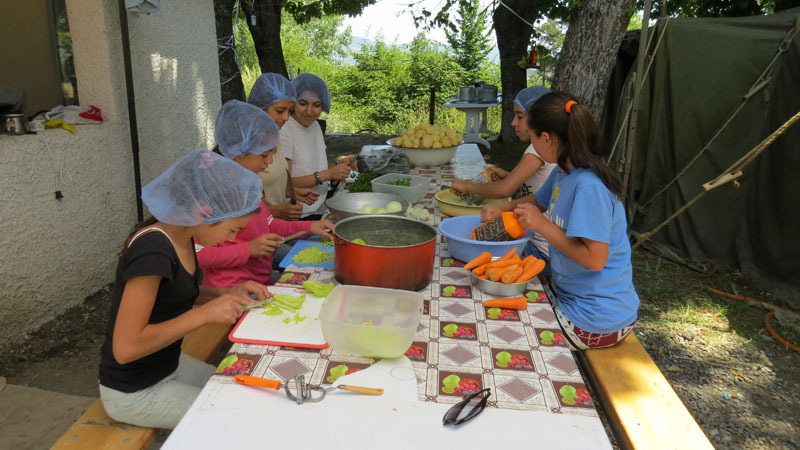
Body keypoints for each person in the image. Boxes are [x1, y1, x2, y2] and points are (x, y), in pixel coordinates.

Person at [98, 149, 270, 429]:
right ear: (203, 212)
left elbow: (175, 294)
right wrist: (204, 315)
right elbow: (125, 349)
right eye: (233, 230)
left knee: (239, 387)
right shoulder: (152, 251)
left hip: (168, 364)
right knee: (238, 419)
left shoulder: (185, 234)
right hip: (135, 390)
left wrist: (226, 293)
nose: (234, 238)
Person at [483, 91, 639, 350]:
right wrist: (503, 207)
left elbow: (595, 258)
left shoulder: (590, 187)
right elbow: (538, 201)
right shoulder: (564, 170)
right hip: (572, 298)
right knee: (496, 301)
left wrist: (542, 225)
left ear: (546, 138)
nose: (531, 142)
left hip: (596, 320)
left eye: (532, 137)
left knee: (505, 336)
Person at [198, 100, 334, 287]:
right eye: (264, 155)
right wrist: (248, 249)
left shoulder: (250, 182)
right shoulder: (212, 190)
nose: (270, 161)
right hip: (232, 291)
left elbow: (267, 223)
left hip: (260, 280)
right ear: (239, 152)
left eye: (272, 153)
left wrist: (310, 226)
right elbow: (197, 255)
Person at [451, 86, 556, 257]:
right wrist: (507, 175)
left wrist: (467, 187)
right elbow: (537, 190)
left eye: (519, 117)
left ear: (538, 120)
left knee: (469, 248)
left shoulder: (538, 149)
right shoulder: (542, 149)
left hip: (538, 247)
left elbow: (504, 190)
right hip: (535, 239)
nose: (513, 122)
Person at [247, 73, 319, 220]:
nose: (286, 117)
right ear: (260, 107)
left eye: (290, 111)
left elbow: (271, 184)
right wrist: (276, 211)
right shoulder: (243, 144)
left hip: (277, 230)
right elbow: (237, 206)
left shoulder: (274, 135)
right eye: (280, 111)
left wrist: (293, 192)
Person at [281, 73, 351, 219]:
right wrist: (328, 174)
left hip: (320, 208)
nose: (309, 111)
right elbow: (282, 184)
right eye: (303, 103)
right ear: (293, 102)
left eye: (316, 105)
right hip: (298, 216)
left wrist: (339, 167)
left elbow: (315, 166)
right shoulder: (284, 130)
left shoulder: (315, 126)